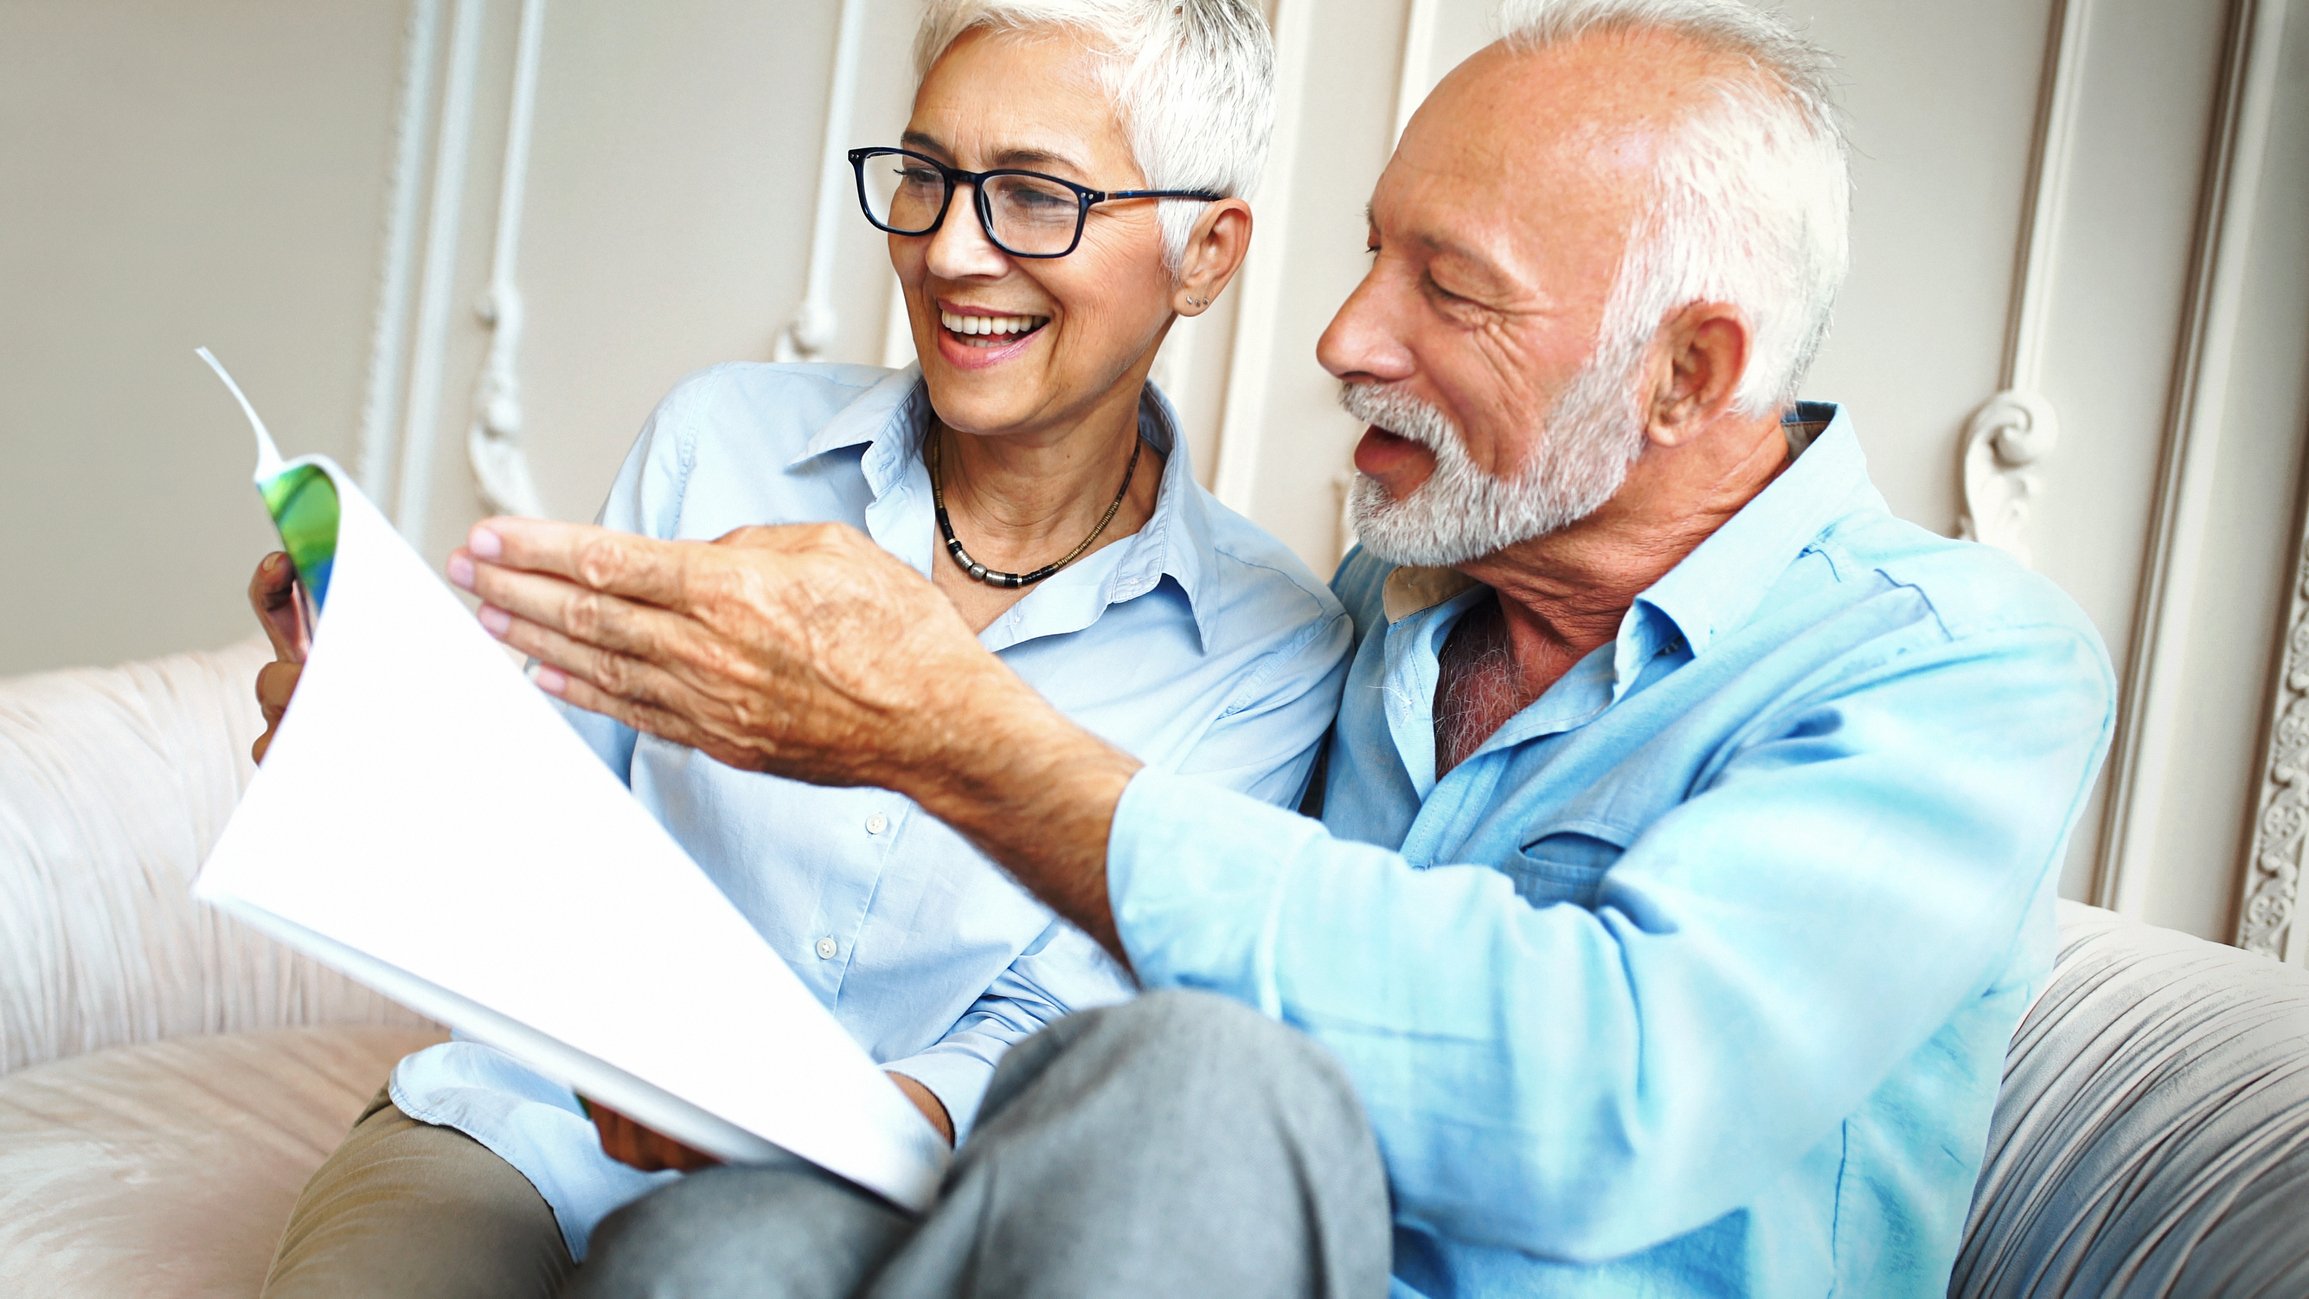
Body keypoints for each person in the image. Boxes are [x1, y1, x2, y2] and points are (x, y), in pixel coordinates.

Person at [453, 0, 2118, 1295]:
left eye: (1446, 292)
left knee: (1199, 1077)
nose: (1343, 337)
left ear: (1686, 374)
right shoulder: (1376, 620)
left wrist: (950, 728)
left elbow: (1609, 1094)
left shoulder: (1957, 671)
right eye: (1370, 251)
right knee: (720, 1253)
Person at [243, 2, 1357, 1295]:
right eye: (926, 177)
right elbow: (547, 814)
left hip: (872, 1217)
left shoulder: (1268, 648)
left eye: (1034, 198)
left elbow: (1068, 1023)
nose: (947, 251)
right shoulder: (720, 441)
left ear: (1206, 252)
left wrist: (802, 1120)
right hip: (527, 1129)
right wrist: (378, 754)